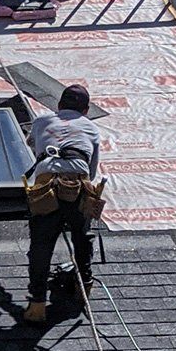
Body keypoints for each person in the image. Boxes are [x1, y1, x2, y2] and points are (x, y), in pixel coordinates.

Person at [22, 82, 102, 326]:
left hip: (47, 184)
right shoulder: (91, 128)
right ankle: (83, 287)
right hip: (78, 181)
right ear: (86, 110)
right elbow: (92, 169)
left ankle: (37, 305)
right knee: (81, 234)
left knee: (41, 245)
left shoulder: (43, 120)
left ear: (59, 105)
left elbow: (32, 144)